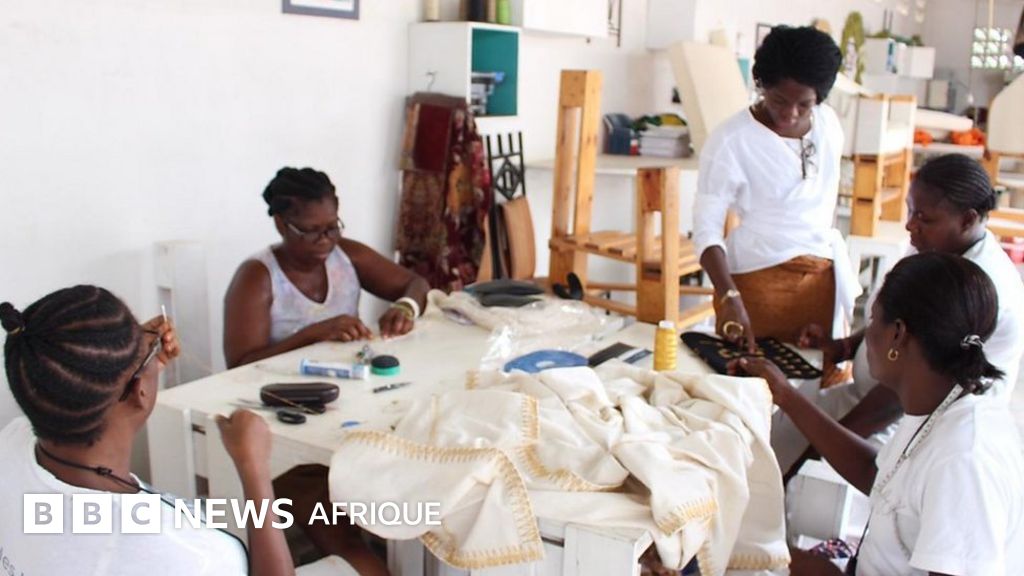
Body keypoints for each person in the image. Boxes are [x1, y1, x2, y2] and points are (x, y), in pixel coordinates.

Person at [0, 286, 344, 575]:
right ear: (139, 391)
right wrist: (254, 468)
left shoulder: (11, 442)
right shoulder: (187, 554)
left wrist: (130, 365)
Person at [733, 253, 1024, 575]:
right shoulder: (940, 406)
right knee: (740, 549)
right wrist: (786, 395)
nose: (867, 337)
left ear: (897, 334)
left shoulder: (964, 460)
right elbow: (879, 476)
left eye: (872, 321)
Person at [773, 154, 1024, 474]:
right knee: (774, 439)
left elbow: (894, 398)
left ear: (967, 219)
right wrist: (846, 347)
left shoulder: (974, 287)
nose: (909, 224)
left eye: (923, 217)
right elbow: (895, 312)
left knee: (803, 478)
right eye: (910, 210)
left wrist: (814, 454)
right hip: (872, 397)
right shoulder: (937, 244)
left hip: (914, 425)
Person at [692, 25, 858, 359]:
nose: (790, 114)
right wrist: (728, 296)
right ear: (762, 85)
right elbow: (706, 230)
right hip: (756, 282)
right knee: (751, 375)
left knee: (815, 378)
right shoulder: (731, 140)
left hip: (823, 279)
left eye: (804, 105)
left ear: (820, 97)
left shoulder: (828, 125)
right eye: (779, 100)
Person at [225, 167, 429, 368]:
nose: (325, 240)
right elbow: (240, 365)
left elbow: (415, 283)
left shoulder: (347, 255)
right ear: (281, 224)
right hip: (278, 385)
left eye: (332, 227)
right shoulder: (257, 277)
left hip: (349, 375)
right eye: (311, 230)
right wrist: (313, 334)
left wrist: (406, 307)